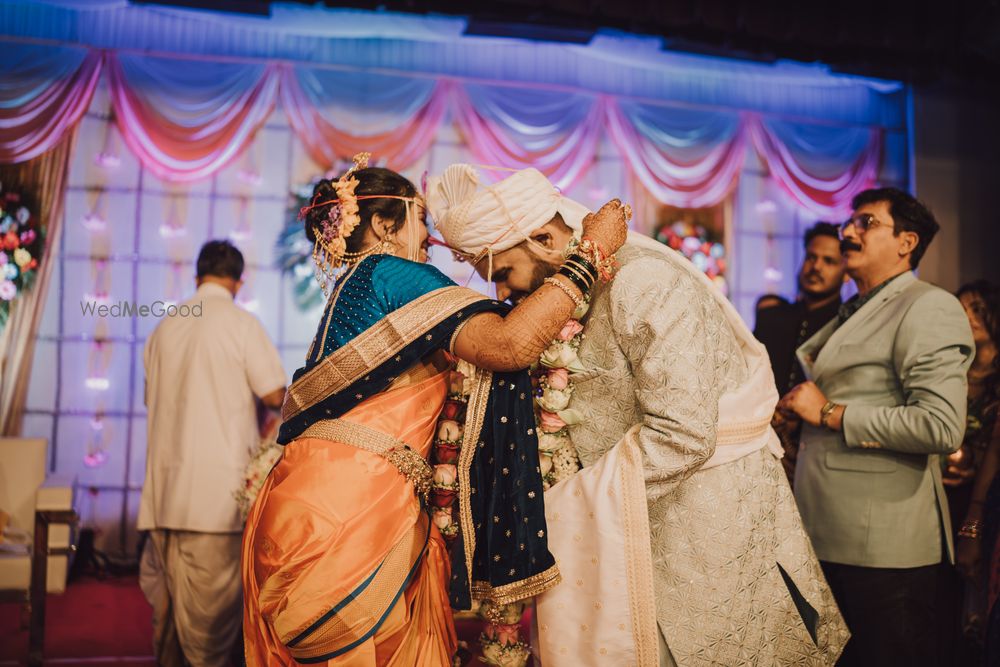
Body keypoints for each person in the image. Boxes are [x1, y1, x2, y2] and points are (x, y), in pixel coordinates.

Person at [428, 164, 849, 666]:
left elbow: (683, 434)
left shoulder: (642, 281)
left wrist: (569, 503)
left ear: (544, 239)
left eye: (504, 274)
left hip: (703, 532)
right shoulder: (572, 296)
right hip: (634, 538)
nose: (504, 295)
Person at [241, 156, 629, 665]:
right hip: (355, 504)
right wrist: (589, 255)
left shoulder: (353, 287)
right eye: (420, 218)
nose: (430, 238)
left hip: (316, 495)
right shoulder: (389, 272)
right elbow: (508, 345)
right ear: (385, 225)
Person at [779, 187, 975, 666]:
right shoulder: (859, 307)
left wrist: (830, 412)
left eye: (865, 222)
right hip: (830, 532)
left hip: (884, 548)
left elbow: (940, 425)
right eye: (849, 223)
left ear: (907, 242)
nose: (848, 232)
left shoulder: (928, 306)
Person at [139, 240, 287, 666]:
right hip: (215, 502)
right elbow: (274, 395)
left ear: (196, 277)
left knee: (169, 624)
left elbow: (152, 401)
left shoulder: (165, 326)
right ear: (238, 282)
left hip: (162, 498)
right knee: (210, 641)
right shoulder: (241, 324)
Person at [756, 222, 846, 484]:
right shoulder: (773, 316)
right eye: (811, 257)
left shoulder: (847, 327)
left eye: (829, 261)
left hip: (818, 454)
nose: (816, 267)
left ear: (846, 272)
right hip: (759, 444)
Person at [949, 281, 1000, 658]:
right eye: (961, 309)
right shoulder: (951, 371)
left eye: (977, 309)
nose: (968, 317)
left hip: (983, 497)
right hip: (945, 488)